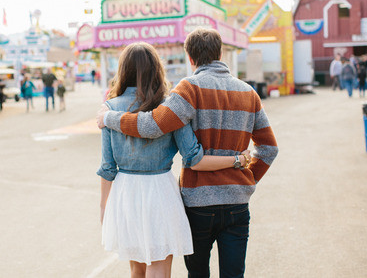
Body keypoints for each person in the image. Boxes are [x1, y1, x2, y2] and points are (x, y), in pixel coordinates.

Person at [98, 28, 278, 277]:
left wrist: (109, 117)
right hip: (236, 202)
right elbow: (269, 149)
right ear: (221, 52)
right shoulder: (248, 92)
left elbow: (150, 126)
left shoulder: (188, 90)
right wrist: (246, 177)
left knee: (194, 273)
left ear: (190, 58)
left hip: (197, 203)